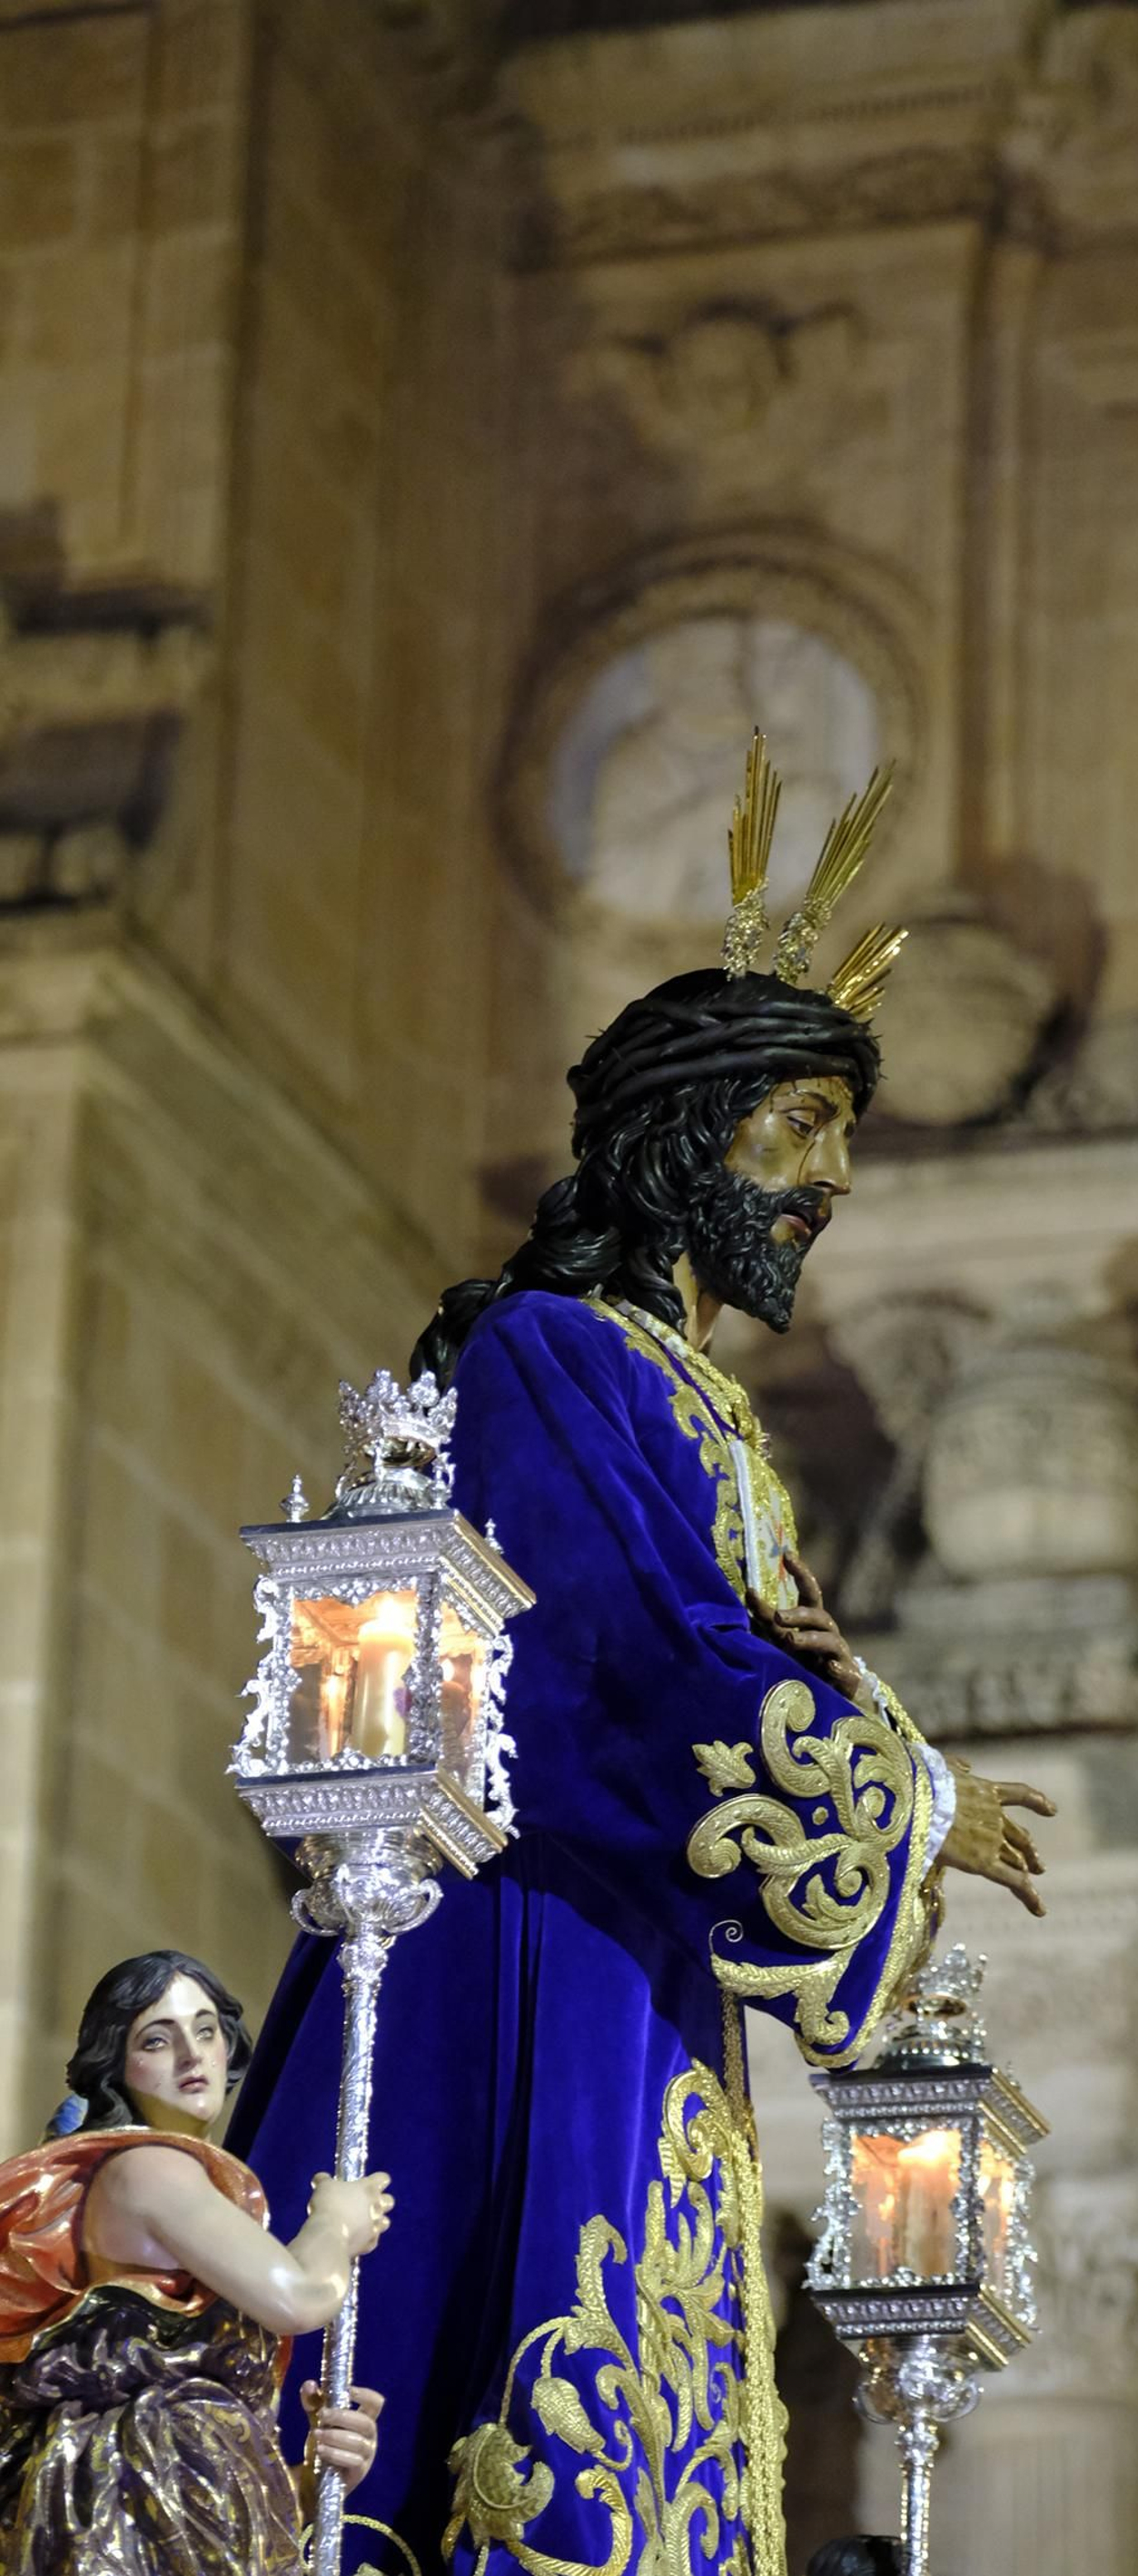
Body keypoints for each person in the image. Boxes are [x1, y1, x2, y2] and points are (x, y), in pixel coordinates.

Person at [230, 739, 1055, 2576]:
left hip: (640, 1956)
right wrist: (910, 1790)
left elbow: (733, 1639)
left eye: (836, 1128)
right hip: (533, 1931)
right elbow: (630, 1650)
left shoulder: (694, 1402)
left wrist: (878, 1736)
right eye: (800, 1120)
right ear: (684, 1133)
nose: (826, 1177)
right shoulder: (553, 1347)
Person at [0, 1951, 391, 2576]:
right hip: (135, 2489)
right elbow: (298, 2295)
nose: (191, 2054)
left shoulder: (188, 2181)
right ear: (117, 2066)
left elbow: (213, 2512)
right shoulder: (147, 2169)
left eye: (205, 2029)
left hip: (170, 2491)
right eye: (158, 2039)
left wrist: (312, 2479)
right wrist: (336, 2224)